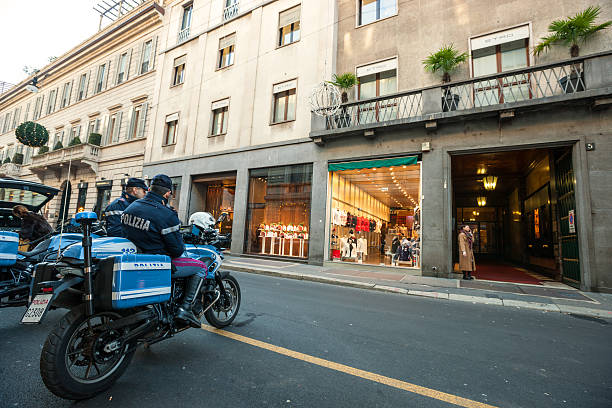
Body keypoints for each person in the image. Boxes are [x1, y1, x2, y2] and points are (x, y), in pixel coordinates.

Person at [120, 174, 205, 328]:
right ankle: (185, 308)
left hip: (134, 260)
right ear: (167, 193)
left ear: (150, 189)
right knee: (201, 267)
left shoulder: (131, 207)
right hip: (157, 263)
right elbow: (177, 250)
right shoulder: (167, 214)